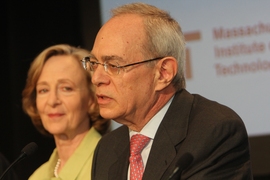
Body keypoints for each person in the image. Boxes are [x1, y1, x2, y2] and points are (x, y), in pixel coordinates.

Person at [85, 2, 253, 180]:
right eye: (94, 63)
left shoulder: (213, 132)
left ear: (163, 73)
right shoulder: (108, 148)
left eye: (113, 65)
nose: (96, 78)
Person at [22, 44, 110, 179]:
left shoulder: (111, 163)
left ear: (92, 99)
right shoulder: (37, 177)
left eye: (66, 88)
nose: (52, 101)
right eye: (43, 90)